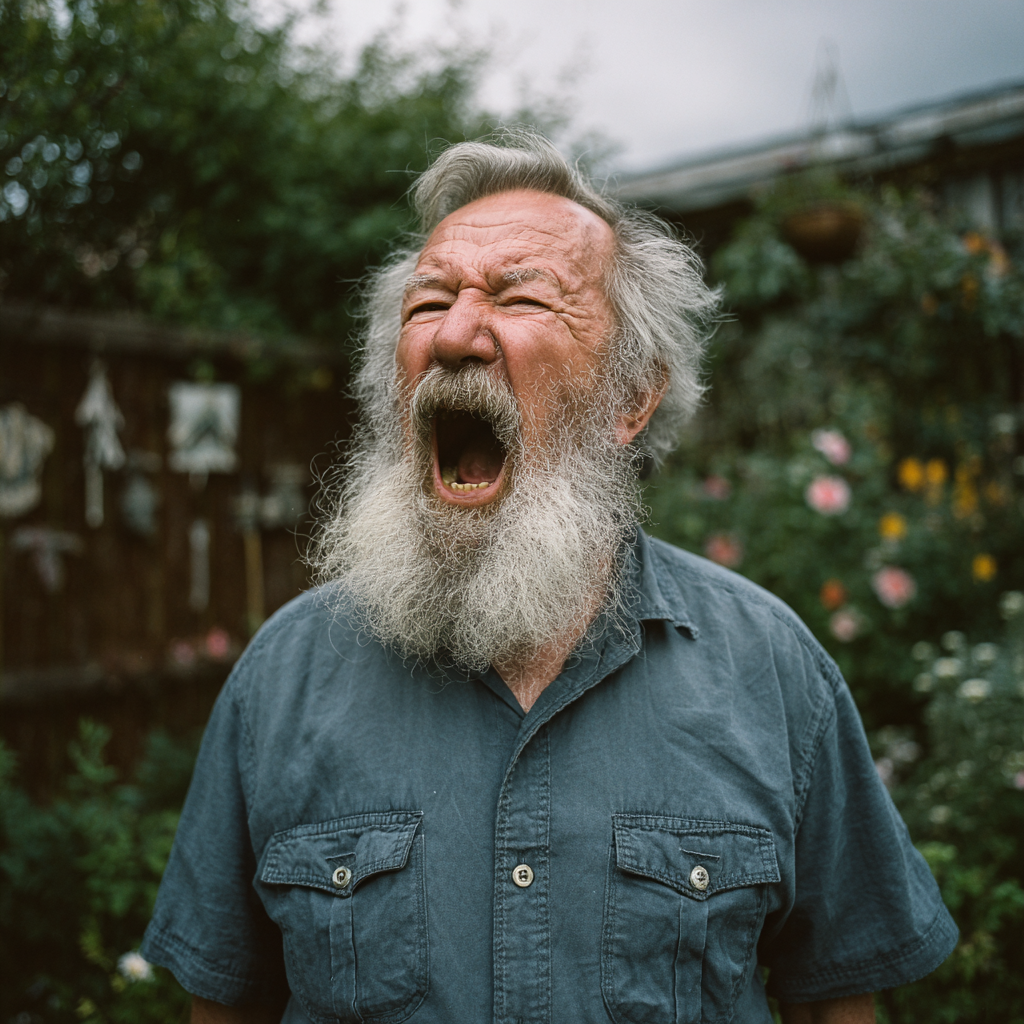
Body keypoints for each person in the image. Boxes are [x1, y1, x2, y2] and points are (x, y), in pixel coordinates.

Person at [142, 132, 957, 1024]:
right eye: (430, 302)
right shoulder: (284, 678)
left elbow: (836, 1001)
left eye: (521, 298)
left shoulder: (772, 670)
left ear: (630, 398)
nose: (454, 336)